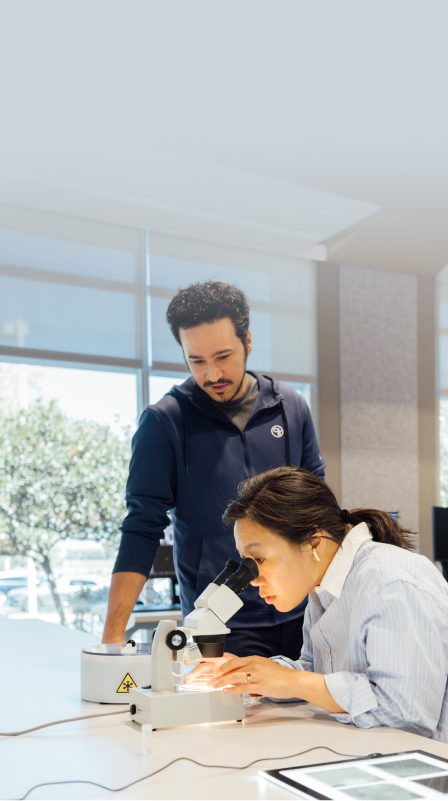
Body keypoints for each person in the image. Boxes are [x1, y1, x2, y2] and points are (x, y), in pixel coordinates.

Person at [187, 466, 448, 756]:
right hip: (368, 756)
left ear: (314, 543)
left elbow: (405, 711)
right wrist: (254, 675)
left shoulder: (392, 581)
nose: (252, 577)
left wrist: (293, 682)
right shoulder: (324, 589)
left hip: (434, 776)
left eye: (259, 559)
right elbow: (318, 676)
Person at [102, 282, 325, 658]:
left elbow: (319, 511)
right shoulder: (164, 422)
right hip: (220, 630)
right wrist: (110, 640)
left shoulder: (291, 408)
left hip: (305, 617)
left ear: (248, 342)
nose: (212, 374)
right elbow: (141, 528)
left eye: (223, 356)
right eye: (197, 361)